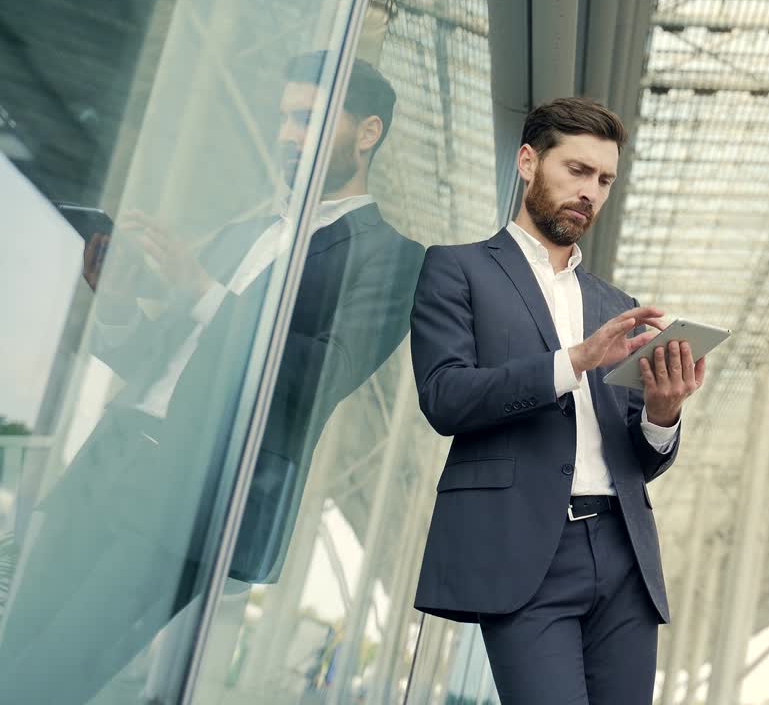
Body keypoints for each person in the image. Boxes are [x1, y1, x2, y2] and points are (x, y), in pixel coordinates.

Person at [0, 52, 424, 704]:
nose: (288, 136)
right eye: (284, 120)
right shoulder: (249, 232)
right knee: (11, 661)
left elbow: (319, 376)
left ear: (367, 133)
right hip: (105, 466)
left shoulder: (393, 258)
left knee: (53, 677)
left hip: (189, 495)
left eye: (309, 120)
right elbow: (159, 360)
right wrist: (116, 303)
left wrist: (201, 289)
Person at [411, 97, 707, 704]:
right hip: (524, 552)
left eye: (603, 180)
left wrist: (662, 412)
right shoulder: (457, 270)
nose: (591, 192)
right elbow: (444, 396)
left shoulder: (612, 302)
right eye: (576, 170)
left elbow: (639, 458)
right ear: (528, 161)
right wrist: (572, 362)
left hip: (624, 554)